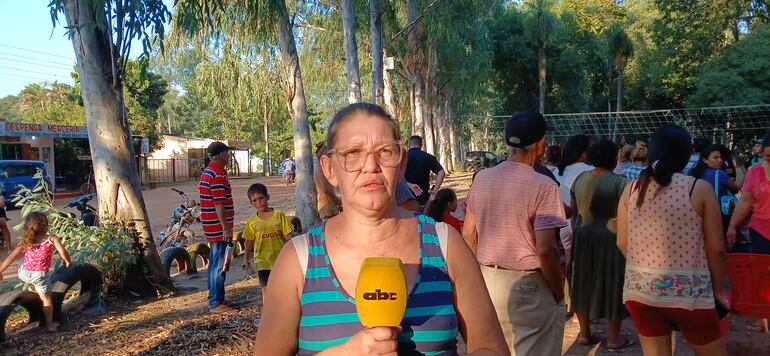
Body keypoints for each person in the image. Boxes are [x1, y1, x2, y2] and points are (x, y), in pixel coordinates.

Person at [253, 103, 508, 355]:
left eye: (385, 151)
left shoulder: (446, 245)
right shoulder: (297, 260)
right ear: (330, 169)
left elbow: (491, 347)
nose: (371, 166)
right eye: (353, 153)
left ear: (401, 163)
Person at [617, 125, 728, 356]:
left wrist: (648, 272)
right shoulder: (699, 189)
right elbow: (717, 248)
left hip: (640, 291)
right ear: (688, 154)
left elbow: (622, 242)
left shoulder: (631, 189)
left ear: (652, 152)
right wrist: (718, 291)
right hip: (689, 293)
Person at [463, 111, 567, 355]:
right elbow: (546, 249)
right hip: (528, 284)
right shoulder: (544, 186)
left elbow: (468, 235)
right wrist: (558, 291)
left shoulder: (482, 179)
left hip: (488, 279)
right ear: (540, 145)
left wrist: (474, 282)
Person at [568, 140, 631, 351]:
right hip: (612, 238)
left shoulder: (580, 179)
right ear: (614, 159)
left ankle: (584, 334)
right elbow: (628, 215)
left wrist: (577, 231)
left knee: (582, 281)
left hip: (583, 237)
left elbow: (574, 212)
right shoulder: (621, 182)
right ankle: (614, 338)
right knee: (614, 282)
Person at [0, 212, 72, 331]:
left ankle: (36, 287)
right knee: (47, 299)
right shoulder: (51, 239)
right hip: (39, 275)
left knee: (22, 260)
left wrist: (1, 271)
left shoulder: (26, 241)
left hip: (23, 272)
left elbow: (11, 258)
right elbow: (63, 252)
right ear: (46, 226)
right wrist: (68, 261)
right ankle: (49, 325)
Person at [198, 141, 236, 314]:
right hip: (218, 226)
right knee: (220, 263)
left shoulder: (207, 172)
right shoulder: (218, 174)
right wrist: (225, 227)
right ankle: (216, 302)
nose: (228, 157)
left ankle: (215, 297)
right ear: (222, 155)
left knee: (215, 262)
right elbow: (219, 203)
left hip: (210, 225)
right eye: (227, 154)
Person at [241, 183, 294, 305]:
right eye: (255, 200)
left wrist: (298, 250)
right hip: (262, 260)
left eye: (261, 198)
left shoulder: (279, 215)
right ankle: (268, 314)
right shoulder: (252, 222)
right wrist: (246, 259)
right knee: (265, 289)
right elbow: (249, 242)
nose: (259, 202)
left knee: (282, 287)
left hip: (280, 258)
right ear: (251, 203)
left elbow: (288, 235)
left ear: (267, 197)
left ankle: (285, 310)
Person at [728, 133, 770, 255]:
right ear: (762, 154)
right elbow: (745, 201)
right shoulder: (755, 171)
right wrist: (732, 226)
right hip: (760, 232)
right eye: (769, 156)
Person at [689, 144, 741, 232]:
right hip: (719, 212)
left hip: (699, 211)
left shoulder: (695, 173)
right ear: (705, 160)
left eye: (720, 157)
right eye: (716, 158)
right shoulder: (720, 174)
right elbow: (736, 189)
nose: (720, 160)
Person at [405, 135, 446, 206]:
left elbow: (395, 176)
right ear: (421, 145)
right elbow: (441, 172)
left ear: (409, 144)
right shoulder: (428, 157)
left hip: (404, 199)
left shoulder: (402, 158)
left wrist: (409, 185)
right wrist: (435, 190)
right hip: (423, 198)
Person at [314, 143, 342, 219]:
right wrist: (338, 201)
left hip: (325, 204)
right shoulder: (321, 170)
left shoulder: (318, 169)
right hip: (327, 205)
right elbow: (326, 189)